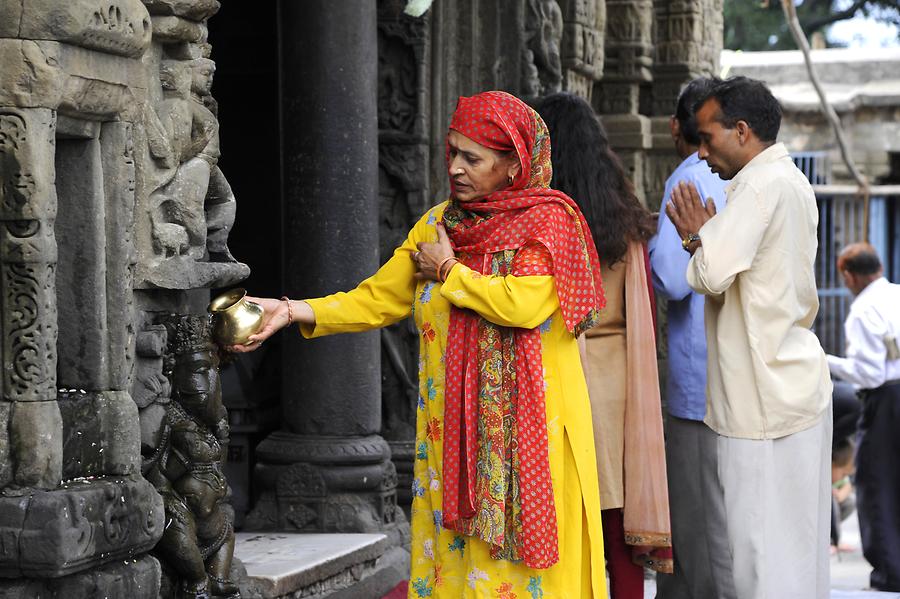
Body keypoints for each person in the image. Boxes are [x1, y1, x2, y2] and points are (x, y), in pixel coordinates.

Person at [232, 90, 609, 597]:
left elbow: (524, 305)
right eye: (451, 152)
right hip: (451, 432)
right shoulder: (439, 225)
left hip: (528, 437)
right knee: (455, 561)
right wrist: (297, 309)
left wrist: (450, 272)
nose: (455, 167)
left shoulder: (548, 224)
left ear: (513, 164)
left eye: (471, 157)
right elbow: (377, 298)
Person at [666, 76, 833, 599]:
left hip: (764, 400)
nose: (701, 153)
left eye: (707, 137)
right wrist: (711, 240)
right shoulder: (786, 181)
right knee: (790, 555)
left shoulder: (762, 186)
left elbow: (708, 275)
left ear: (741, 131)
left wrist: (697, 237)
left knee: (759, 559)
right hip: (785, 389)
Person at [533, 91, 671, 598]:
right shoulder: (622, 210)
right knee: (616, 529)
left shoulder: (541, 216)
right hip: (616, 384)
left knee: (562, 524)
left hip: (556, 374)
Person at [648, 78, 735, 599]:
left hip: (697, 378)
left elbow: (670, 278)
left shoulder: (690, 177)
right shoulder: (763, 178)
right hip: (739, 374)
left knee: (698, 522)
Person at [826, 243, 900, 591]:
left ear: (848, 276)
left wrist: (823, 359)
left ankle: (889, 573)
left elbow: (869, 374)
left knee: (876, 483)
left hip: (885, 400)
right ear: (880, 266)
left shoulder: (862, 310)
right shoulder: (896, 294)